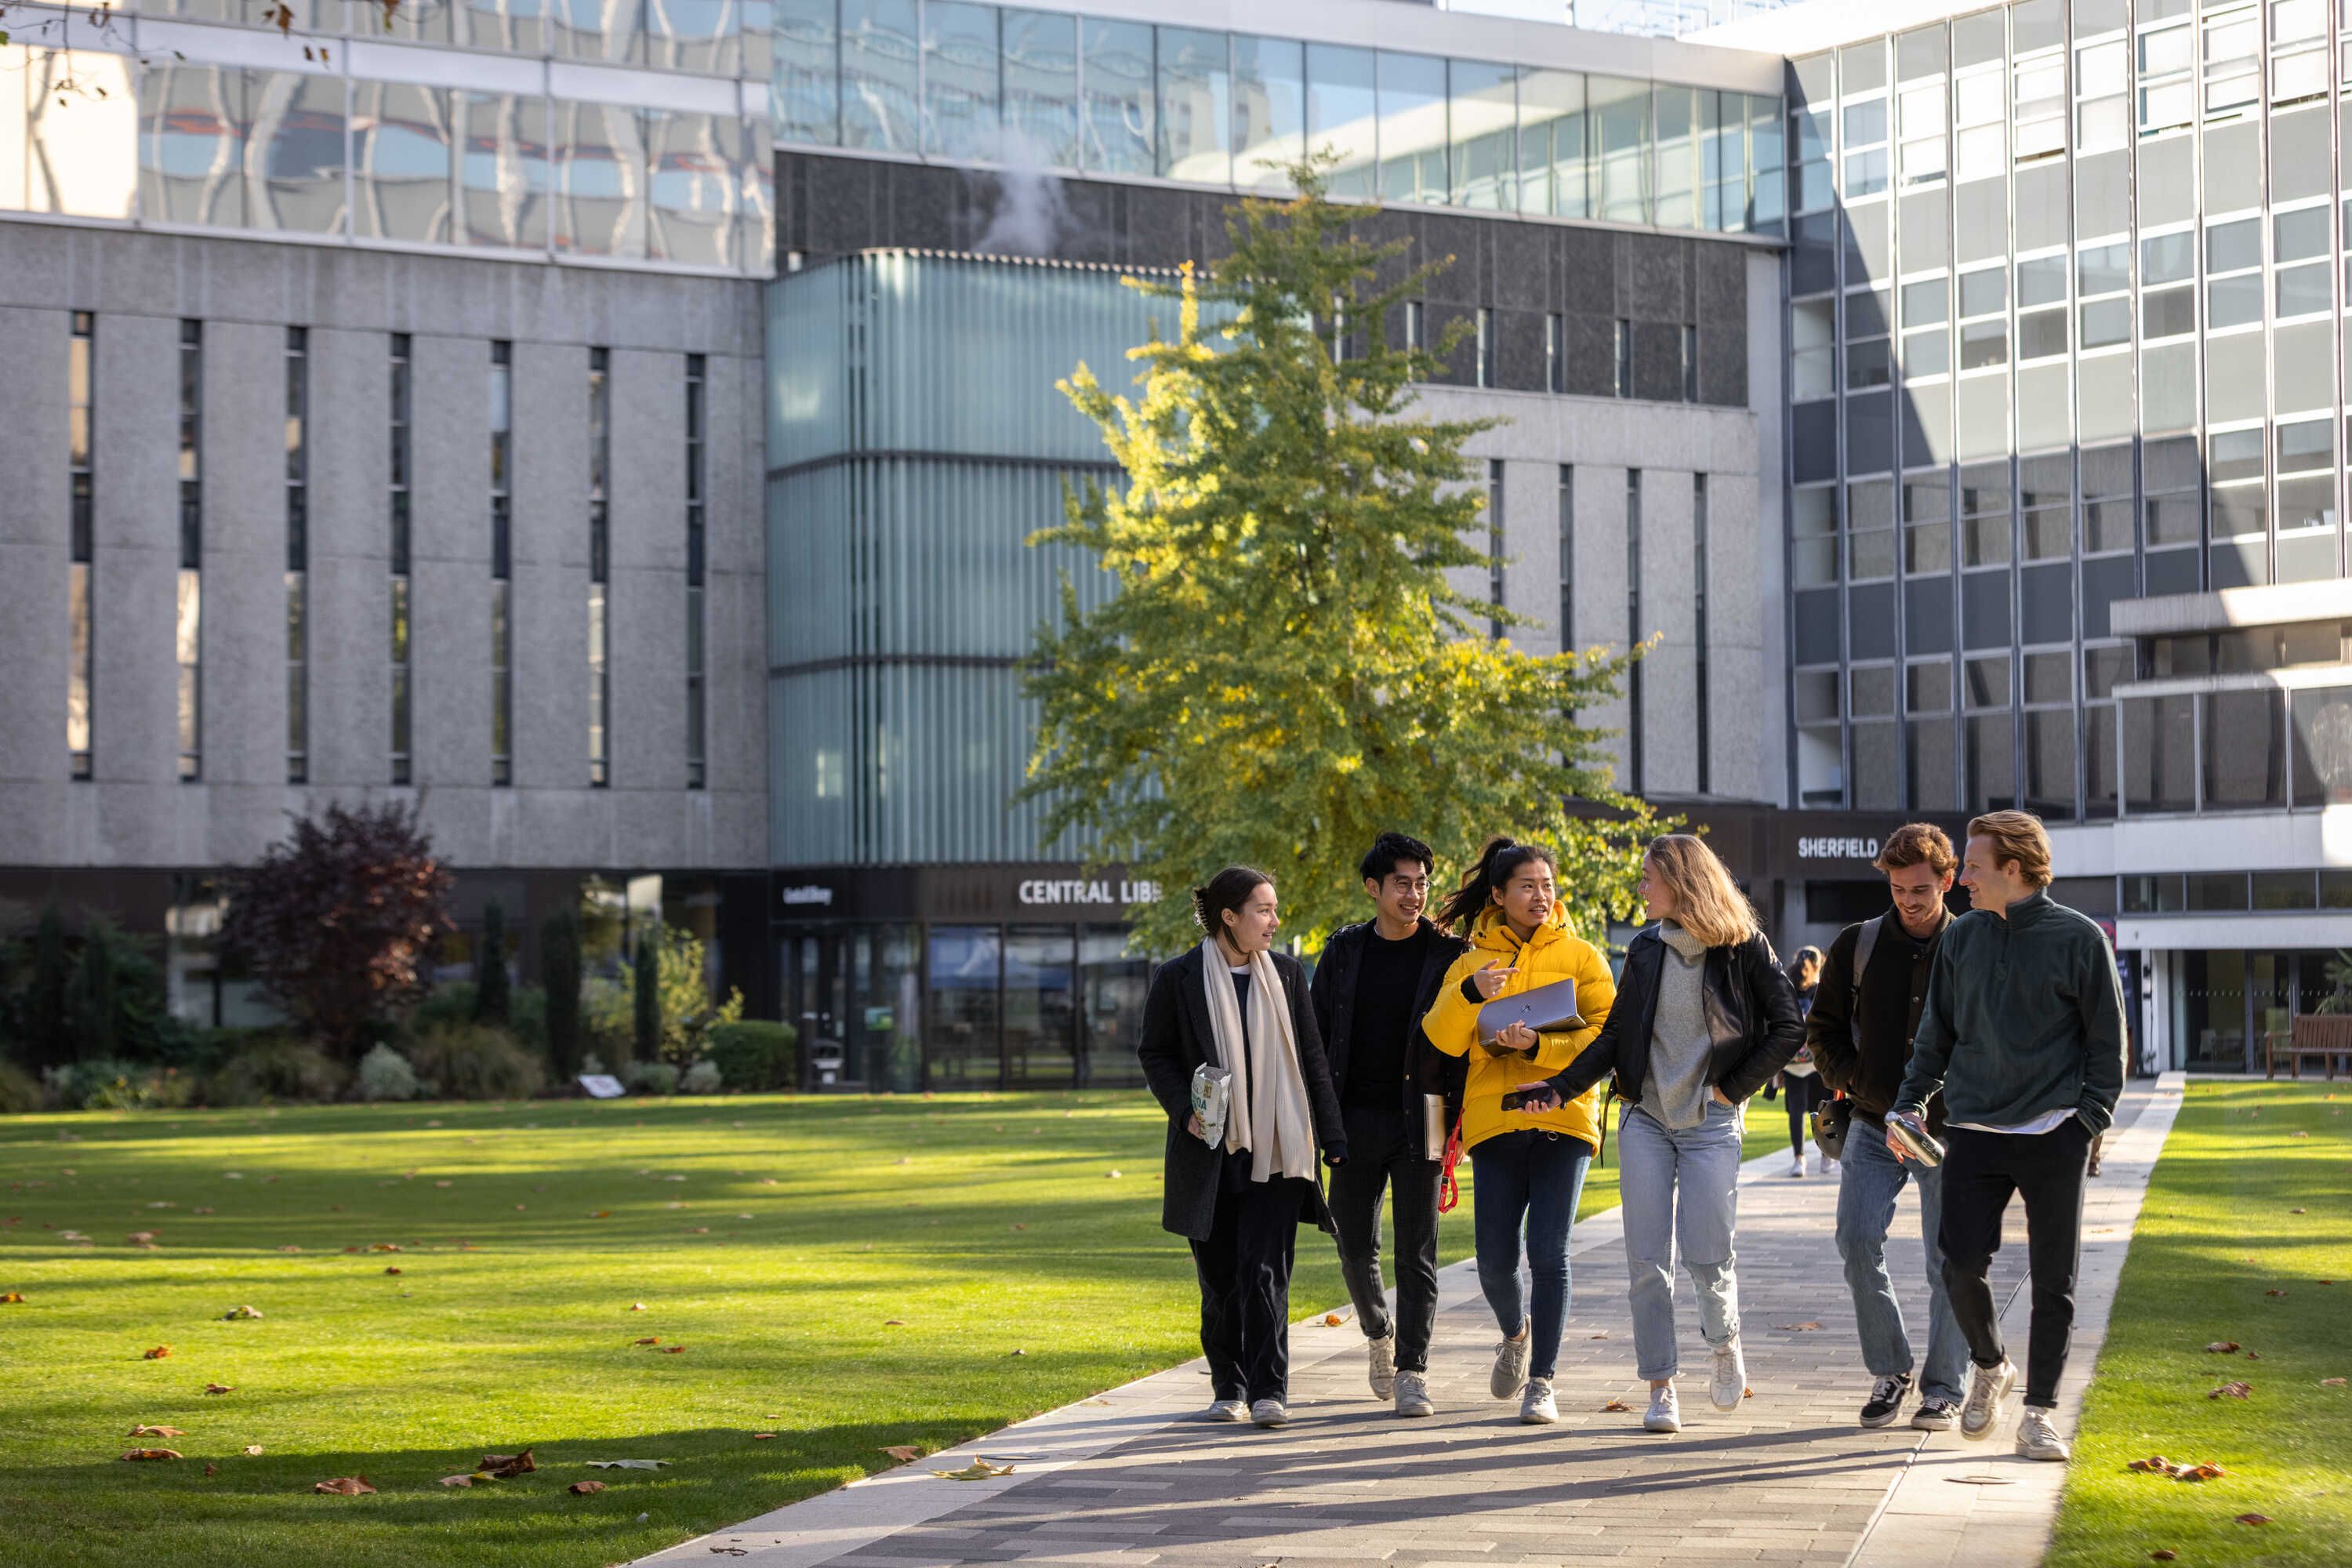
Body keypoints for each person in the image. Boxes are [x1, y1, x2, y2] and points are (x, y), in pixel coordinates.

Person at [1512, 834, 1802, 1435]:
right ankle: (1661, 1386)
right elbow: (1618, 1035)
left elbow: (1788, 1028)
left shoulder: (1742, 947)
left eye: (1648, 878)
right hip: (1644, 1117)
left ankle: (1723, 1343)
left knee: (1706, 1254)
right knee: (1647, 1262)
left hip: (1710, 1121)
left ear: (1681, 881)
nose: (1640, 889)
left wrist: (1730, 1091)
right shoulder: (1646, 948)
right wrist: (1560, 1088)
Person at [1888, 811, 2128, 1464]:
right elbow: (1936, 1036)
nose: (1959, 876)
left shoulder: (2079, 939)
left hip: (2055, 1132)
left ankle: (2040, 1415)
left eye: (1972, 865)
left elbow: (2109, 1047)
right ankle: (1991, 1365)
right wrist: (1908, 1106)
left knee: (2057, 1279)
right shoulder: (1961, 941)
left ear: (2014, 869)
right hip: (1972, 1130)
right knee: (1958, 1262)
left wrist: (2086, 1124)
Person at [1138, 867, 1348, 1430]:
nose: (1275, 921)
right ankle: (1227, 1384)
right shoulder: (1177, 978)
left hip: (1278, 1148)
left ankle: (1268, 1389)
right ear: (1229, 917)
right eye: (1263, 910)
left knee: (1267, 1272)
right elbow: (1154, 1053)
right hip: (1209, 1150)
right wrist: (1185, 1111)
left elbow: (1312, 1060)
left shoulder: (1286, 975)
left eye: (1275, 909)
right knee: (1222, 1278)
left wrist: (1331, 1139)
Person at [1420, 837, 1617, 1425]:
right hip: (1495, 1120)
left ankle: (1543, 1382)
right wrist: (1472, 994)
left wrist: (1540, 1043)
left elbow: (1609, 1035)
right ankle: (1515, 1331)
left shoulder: (1583, 956)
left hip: (1564, 1115)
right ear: (1500, 895)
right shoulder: (1469, 962)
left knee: (1549, 1252)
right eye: (1527, 886)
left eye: (1547, 885)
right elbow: (1440, 1039)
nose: (1540, 896)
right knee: (1493, 1261)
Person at [1805, 822, 1967, 1432]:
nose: (1908, 900)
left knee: (1947, 1261)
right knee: (1855, 1241)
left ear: (1948, 880)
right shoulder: (1858, 943)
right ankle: (1891, 1368)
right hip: (1874, 1124)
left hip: (1949, 1131)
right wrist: (1857, 1082)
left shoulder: (1971, 943)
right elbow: (1821, 1028)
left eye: (1921, 889)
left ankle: (1945, 1387)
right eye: (1898, 888)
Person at [1310, 832, 1469, 1418]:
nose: (1414, 894)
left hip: (1425, 1114)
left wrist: (1460, 1118)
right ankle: (1379, 1333)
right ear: (1373, 888)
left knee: (1418, 1250)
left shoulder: (1450, 954)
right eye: (1402, 883)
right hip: (1352, 1119)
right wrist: (1322, 1118)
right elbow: (1318, 1036)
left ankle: (1412, 1371)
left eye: (1422, 883)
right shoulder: (1344, 952)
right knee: (1352, 1243)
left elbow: (1465, 1042)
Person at [1769, 946, 1831, 1178]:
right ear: (1818, 965)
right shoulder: (1822, 990)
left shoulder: (1787, 989)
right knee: (1822, 1110)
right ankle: (1825, 1156)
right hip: (1818, 1061)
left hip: (1793, 1063)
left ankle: (1799, 1159)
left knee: (1797, 1112)